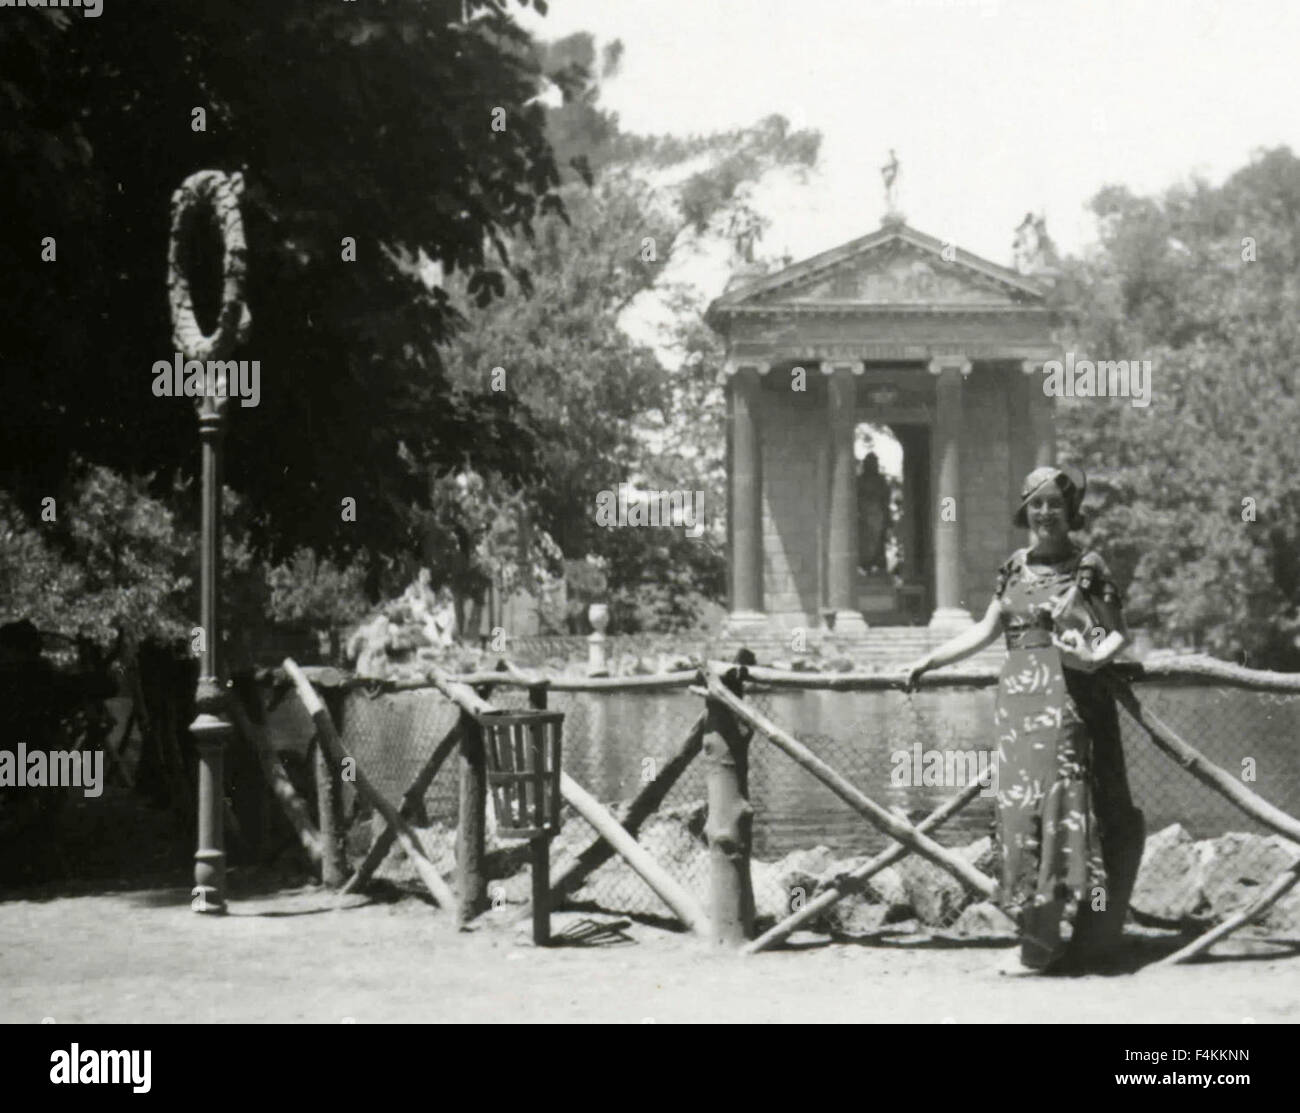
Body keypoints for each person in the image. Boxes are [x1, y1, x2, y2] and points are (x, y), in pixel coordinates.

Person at [902, 465, 1145, 975]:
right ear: (1026, 511)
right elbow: (985, 630)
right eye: (1036, 504)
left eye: (1055, 503)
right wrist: (929, 660)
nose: (1046, 512)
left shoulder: (1088, 565)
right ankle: (1037, 941)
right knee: (1018, 819)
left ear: (1069, 510)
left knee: (1056, 817)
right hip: (1017, 708)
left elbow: (1117, 633)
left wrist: (1094, 657)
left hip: (1065, 705)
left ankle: (1049, 943)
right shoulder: (1013, 566)